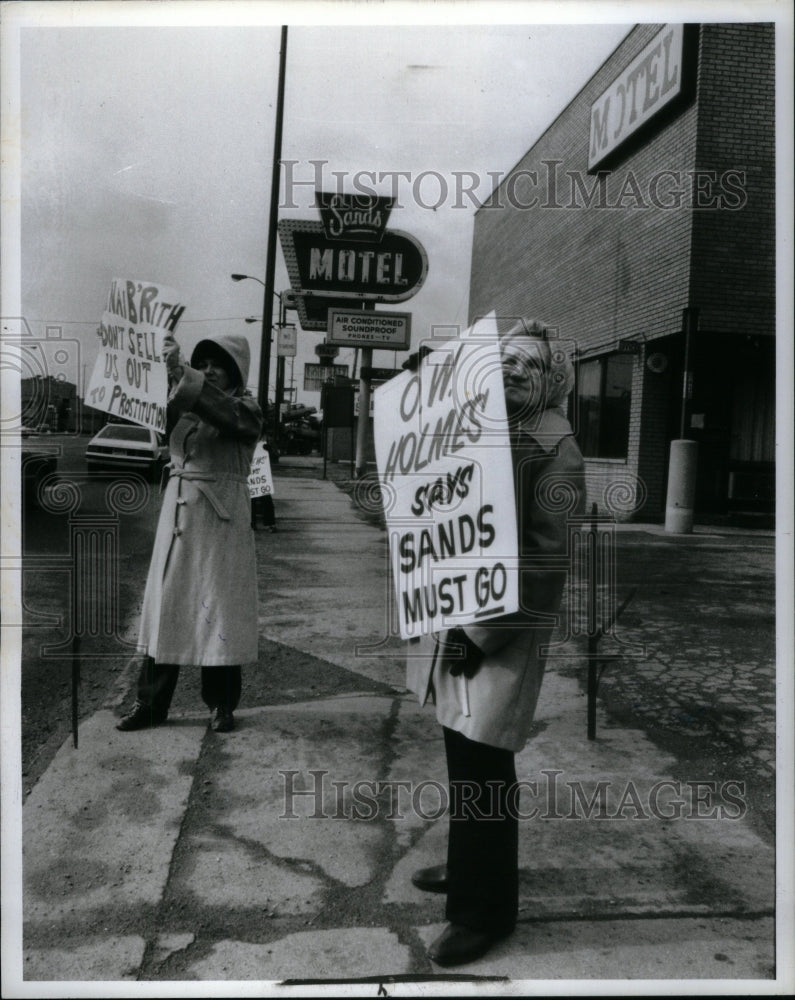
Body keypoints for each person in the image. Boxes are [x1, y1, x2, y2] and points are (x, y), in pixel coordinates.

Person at [406, 318, 586, 966]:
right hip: (459, 616)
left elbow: (542, 564)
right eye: (504, 359)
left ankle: (484, 912)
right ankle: (470, 867)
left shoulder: (554, 444)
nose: (511, 370)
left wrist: (480, 637)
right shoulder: (487, 427)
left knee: (484, 758)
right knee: (462, 750)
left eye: (528, 365)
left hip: (499, 630)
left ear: (552, 380)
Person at [116, 332, 262, 734]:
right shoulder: (187, 407)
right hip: (178, 519)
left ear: (235, 372)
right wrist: (162, 371)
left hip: (221, 521)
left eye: (218, 364)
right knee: (166, 608)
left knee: (221, 610)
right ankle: (151, 703)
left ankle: (222, 705)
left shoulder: (247, 408)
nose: (209, 370)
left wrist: (184, 375)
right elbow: (159, 415)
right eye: (204, 363)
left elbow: (226, 415)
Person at [251, 433, 277, 532]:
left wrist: (269, 451)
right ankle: (252, 524)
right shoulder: (246, 436)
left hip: (261, 475)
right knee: (251, 499)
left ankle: (269, 523)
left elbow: (275, 455)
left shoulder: (267, 439)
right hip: (253, 473)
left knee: (265, 499)